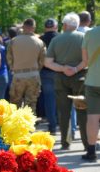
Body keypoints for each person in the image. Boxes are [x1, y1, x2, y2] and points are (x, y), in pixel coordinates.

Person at [45, 12, 87, 150]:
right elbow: (87, 60)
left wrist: (63, 68)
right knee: (82, 110)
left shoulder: (56, 40)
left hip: (60, 78)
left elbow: (48, 62)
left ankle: (65, 142)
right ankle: (87, 143)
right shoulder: (83, 38)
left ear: (65, 25)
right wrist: (75, 69)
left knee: (64, 112)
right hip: (80, 77)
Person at [7, 18, 46, 114]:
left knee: (15, 104)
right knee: (31, 104)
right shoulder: (40, 42)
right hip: (33, 75)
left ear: (23, 27)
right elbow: (42, 60)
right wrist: (36, 69)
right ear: (34, 28)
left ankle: (15, 127)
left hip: (18, 75)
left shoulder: (13, 41)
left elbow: (9, 58)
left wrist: (13, 68)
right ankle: (29, 127)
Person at [81, 23, 100, 161]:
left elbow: (85, 61)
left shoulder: (89, 34)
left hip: (93, 81)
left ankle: (91, 152)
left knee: (92, 118)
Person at [39, 19, 59, 134]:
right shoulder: (60, 37)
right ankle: (62, 124)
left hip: (45, 72)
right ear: (55, 26)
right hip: (60, 71)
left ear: (45, 27)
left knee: (49, 99)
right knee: (61, 99)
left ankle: (52, 126)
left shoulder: (40, 40)